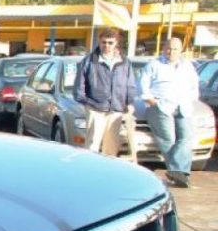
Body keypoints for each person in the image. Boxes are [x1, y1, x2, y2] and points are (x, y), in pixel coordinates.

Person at [139, 37, 200, 188]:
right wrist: (152, 101)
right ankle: (180, 173)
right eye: (169, 48)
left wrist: (190, 99)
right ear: (164, 48)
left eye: (175, 49)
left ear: (181, 51)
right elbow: (142, 85)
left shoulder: (188, 67)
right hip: (160, 106)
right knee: (168, 139)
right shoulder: (154, 65)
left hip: (183, 106)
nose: (171, 52)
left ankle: (177, 171)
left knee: (186, 138)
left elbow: (194, 87)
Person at [73, 28, 136, 157]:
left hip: (116, 110)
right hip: (95, 109)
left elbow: (130, 85)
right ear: (99, 42)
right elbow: (79, 88)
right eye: (103, 42)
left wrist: (129, 102)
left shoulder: (124, 62)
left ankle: (107, 174)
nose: (106, 45)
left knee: (111, 148)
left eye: (110, 42)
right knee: (92, 146)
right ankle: (90, 173)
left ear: (116, 43)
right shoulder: (88, 61)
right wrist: (89, 104)